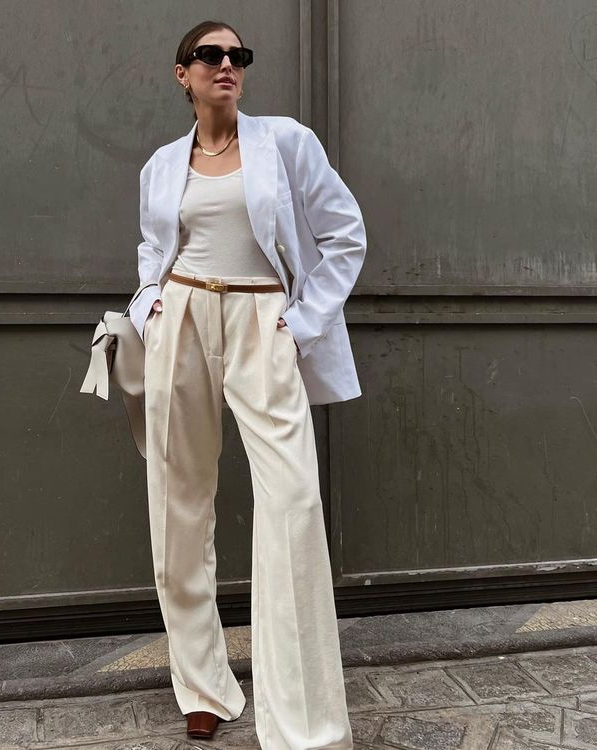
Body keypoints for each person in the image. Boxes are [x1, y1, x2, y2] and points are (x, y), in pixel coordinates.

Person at [128, 19, 367, 750]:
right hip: (184, 319)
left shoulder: (286, 143)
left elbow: (344, 234)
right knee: (179, 508)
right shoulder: (163, 165)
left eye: (237, 55)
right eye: (210, 55)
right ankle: (202, 688)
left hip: (265, 320)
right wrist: (152, 306)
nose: (226, 64)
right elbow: (152, 247)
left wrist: (300, 325)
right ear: (183, 74)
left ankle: (304, 718)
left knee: (292, 505)